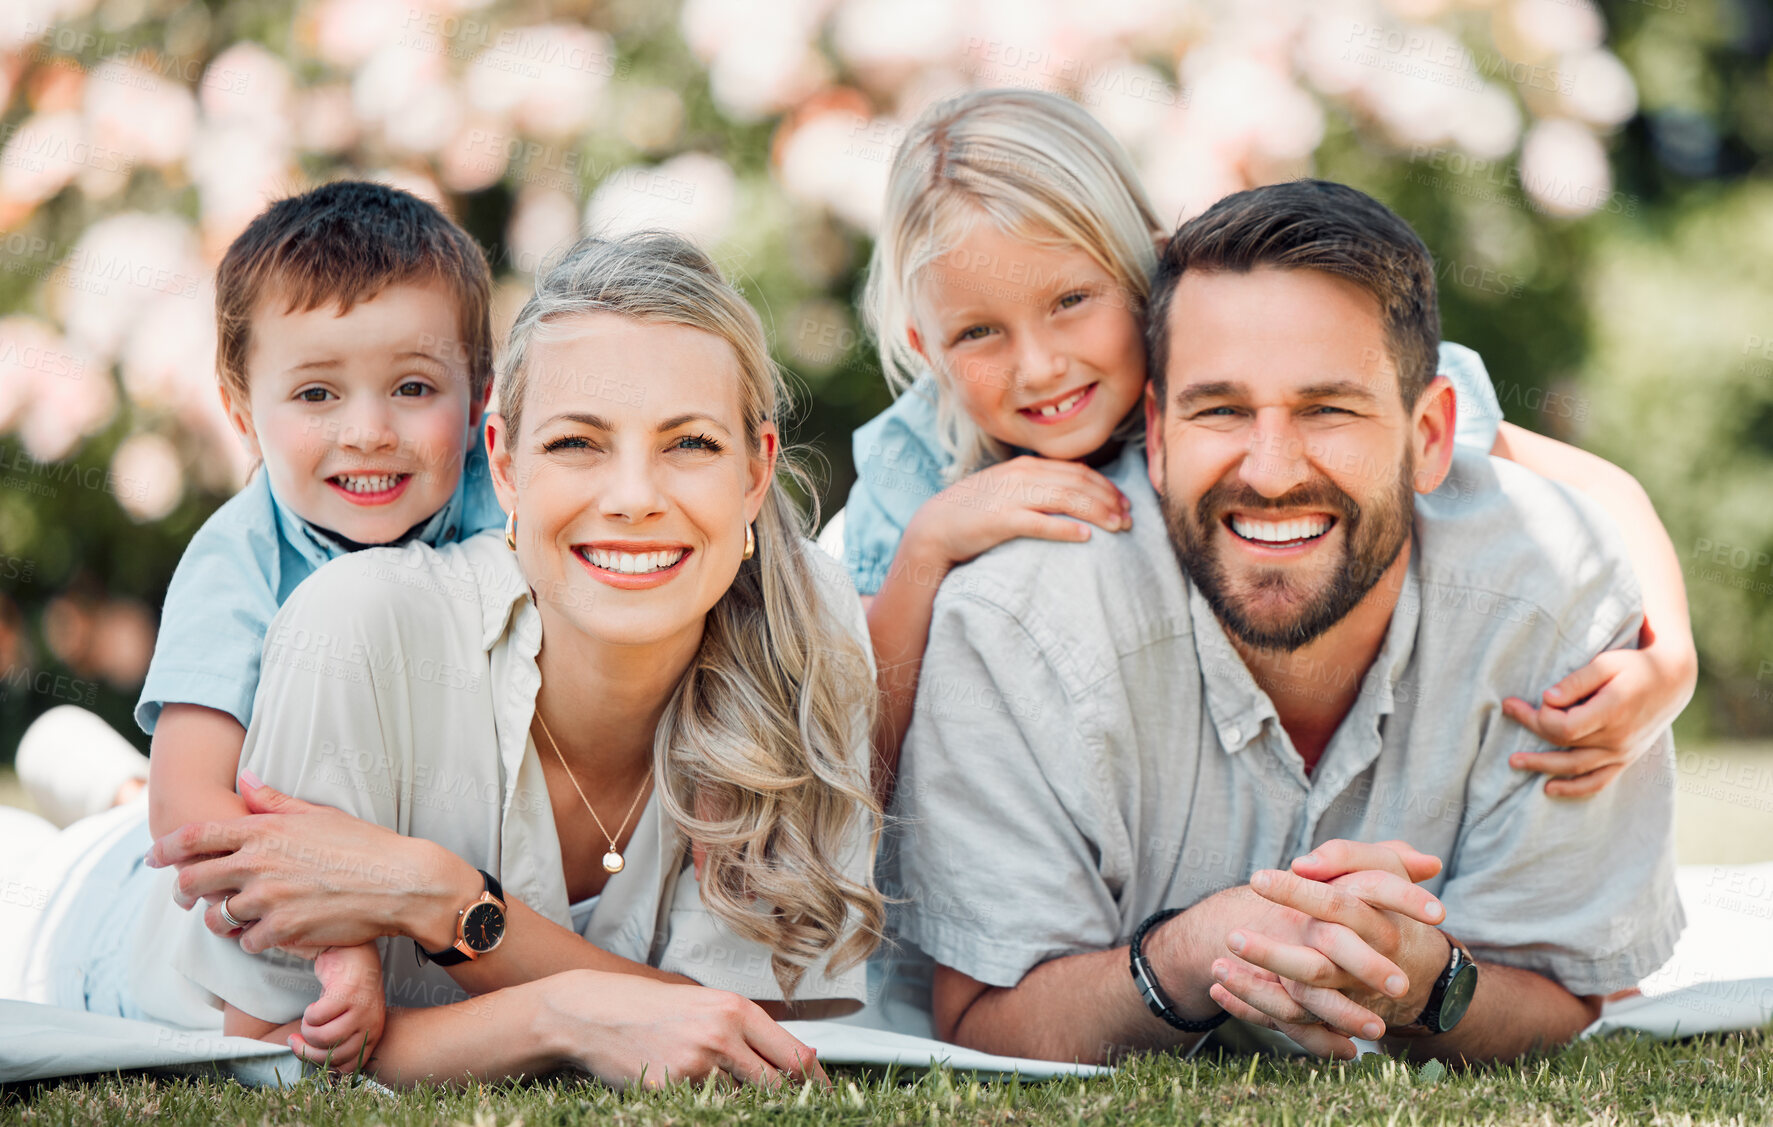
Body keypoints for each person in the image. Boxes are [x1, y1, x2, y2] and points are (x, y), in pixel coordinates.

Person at [3, 230, 885, 1088]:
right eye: (575, 442)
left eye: (688, 443)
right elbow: (269, 1048)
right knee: (59, 861)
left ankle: (96, 781)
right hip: (105, 929)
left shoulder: (804, 625)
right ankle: (97, 801)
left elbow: (751, 1037)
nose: (631, 498)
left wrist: (440, 898)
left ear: (755, 471)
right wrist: (561, 1013)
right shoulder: (353, 617)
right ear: (502, 463)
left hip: (292, 777)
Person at [888, 180, 1683, 1065]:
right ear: (1154, 435)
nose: (1269, 472)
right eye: (1220, 410)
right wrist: (1186, 955)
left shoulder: (1555, 592)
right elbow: (976, 1019)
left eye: (1326, 408)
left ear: (1430, 437)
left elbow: (1578, 998)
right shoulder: (1011, 620)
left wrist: (1427, 984)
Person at [843, 89, 1696, 803]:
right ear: (926, 349)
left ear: (1147, 264)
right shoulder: (914, 463)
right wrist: (929, 546)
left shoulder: (1259, 360)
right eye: (979, 333)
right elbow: (865, 759)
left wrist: (1670, 665)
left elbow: (1602, 491)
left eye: (1070, 300)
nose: (1037, 366)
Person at [12, 180, 513, 1061]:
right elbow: (190, 814)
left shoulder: (497, 506)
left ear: (479, 399)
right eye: (317, 394)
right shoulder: (238, 560)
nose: (367, 430)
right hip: (136, 921)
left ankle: (96, 780)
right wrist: (336, 936)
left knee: (126, 803)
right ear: (241, 409)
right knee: (53, 874)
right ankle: (76, 810)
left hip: (372, 866)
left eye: (411, 386)